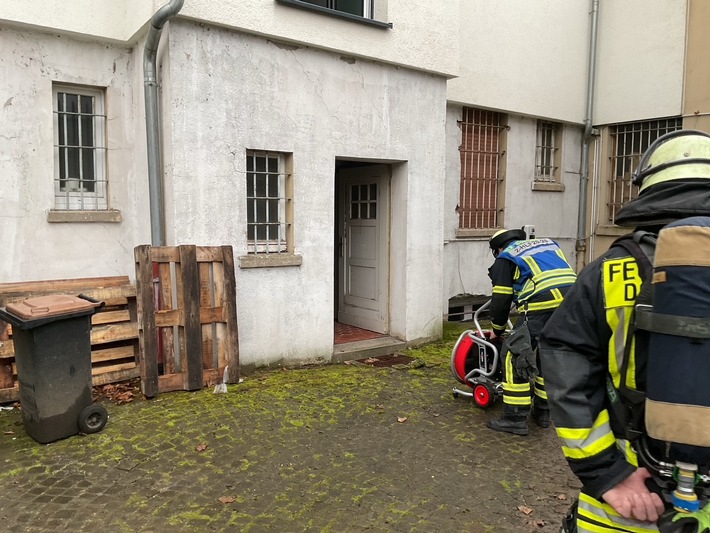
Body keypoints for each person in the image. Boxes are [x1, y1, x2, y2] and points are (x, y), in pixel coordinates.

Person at [539, 129, 710, 532]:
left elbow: (564, 358)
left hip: (635, 493)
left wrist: (606, 473)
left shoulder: (611, 270)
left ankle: (515, 416)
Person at [485, 228, 577, 436]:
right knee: (548, 355)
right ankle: (543, 412)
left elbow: (501, 300)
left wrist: (497, 330)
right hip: (571, 303)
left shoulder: (506, 257)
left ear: (497, 249)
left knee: (514, 355)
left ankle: (515, 418)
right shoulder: (548, 245)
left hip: (540, 304)